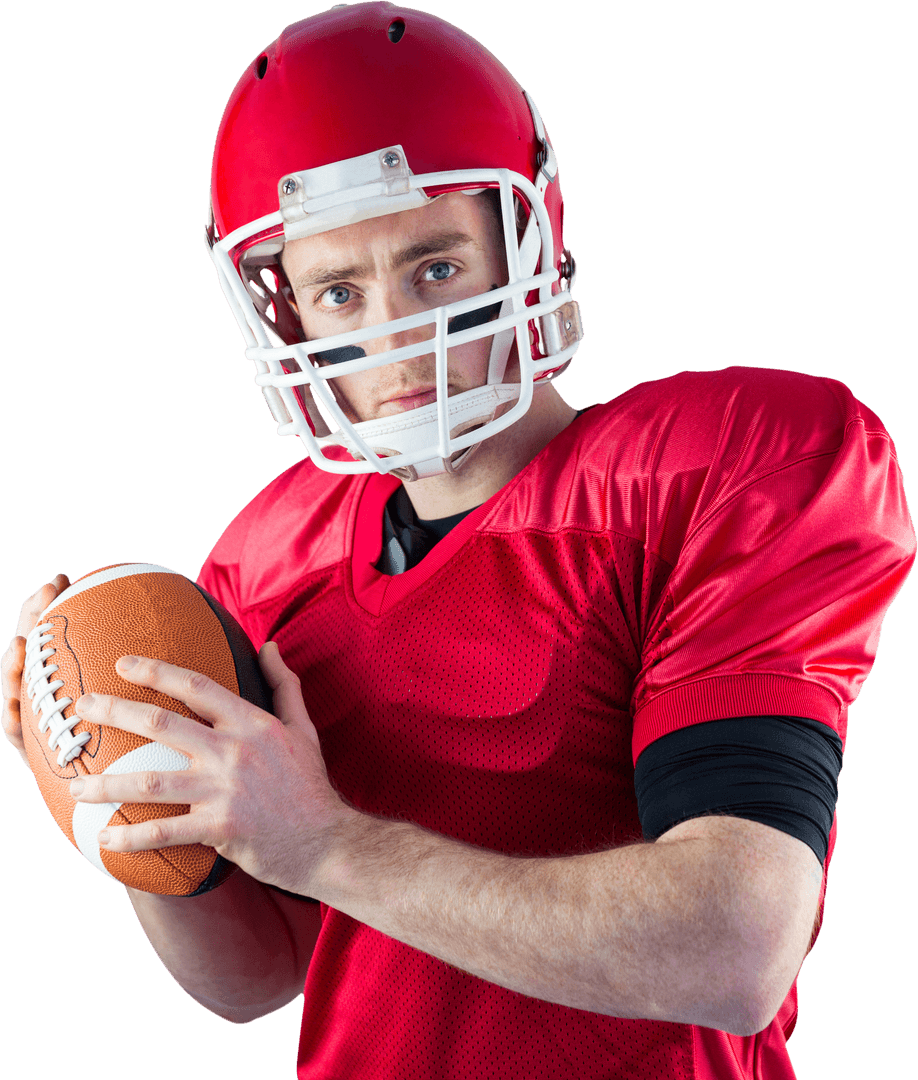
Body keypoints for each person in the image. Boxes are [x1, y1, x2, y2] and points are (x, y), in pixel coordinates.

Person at [2, 4, 915, 1078]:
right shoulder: (263, 562)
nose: (391, 335)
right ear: (285, 314)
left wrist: (330, 844)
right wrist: (125, 809)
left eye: (434, 269)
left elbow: (735, 944)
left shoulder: (718, 471)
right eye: (341, 291)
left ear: (523, 246)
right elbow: (255, 979)